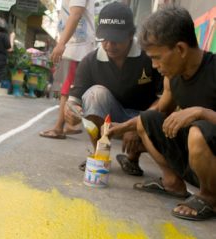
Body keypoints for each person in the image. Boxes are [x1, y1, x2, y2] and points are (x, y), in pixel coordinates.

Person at [119, 5, 215, 221]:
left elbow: (200, 122)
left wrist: (201, 112)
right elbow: (159, 111)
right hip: (196, 163)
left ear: (180, 49)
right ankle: (172, 183)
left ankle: (209, 198)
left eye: (157, 58)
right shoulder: (172, 78)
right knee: (147, 120)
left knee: (197, 132)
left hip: (209, 155)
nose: (154, 66)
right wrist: (124, 127)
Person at [64, 2, 162, 174]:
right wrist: (72, 112)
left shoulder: (150, 57)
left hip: (145, 118)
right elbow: (73, 101)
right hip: (111, 119)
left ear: (131, 35)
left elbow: (165, 99)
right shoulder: (90, 61)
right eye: (105, 39)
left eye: (116, 40)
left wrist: (138, 125)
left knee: (166, 120)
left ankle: (132, 159)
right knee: (95, 94)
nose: (109, 45)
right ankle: (99, 155)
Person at [39, 0, 95, 139]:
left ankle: (58, 128)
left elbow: (75, 14)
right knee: (71, 87)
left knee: (67, 89)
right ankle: (70, 125)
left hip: (77, 46)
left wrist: (61, 43)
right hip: (76, 45)